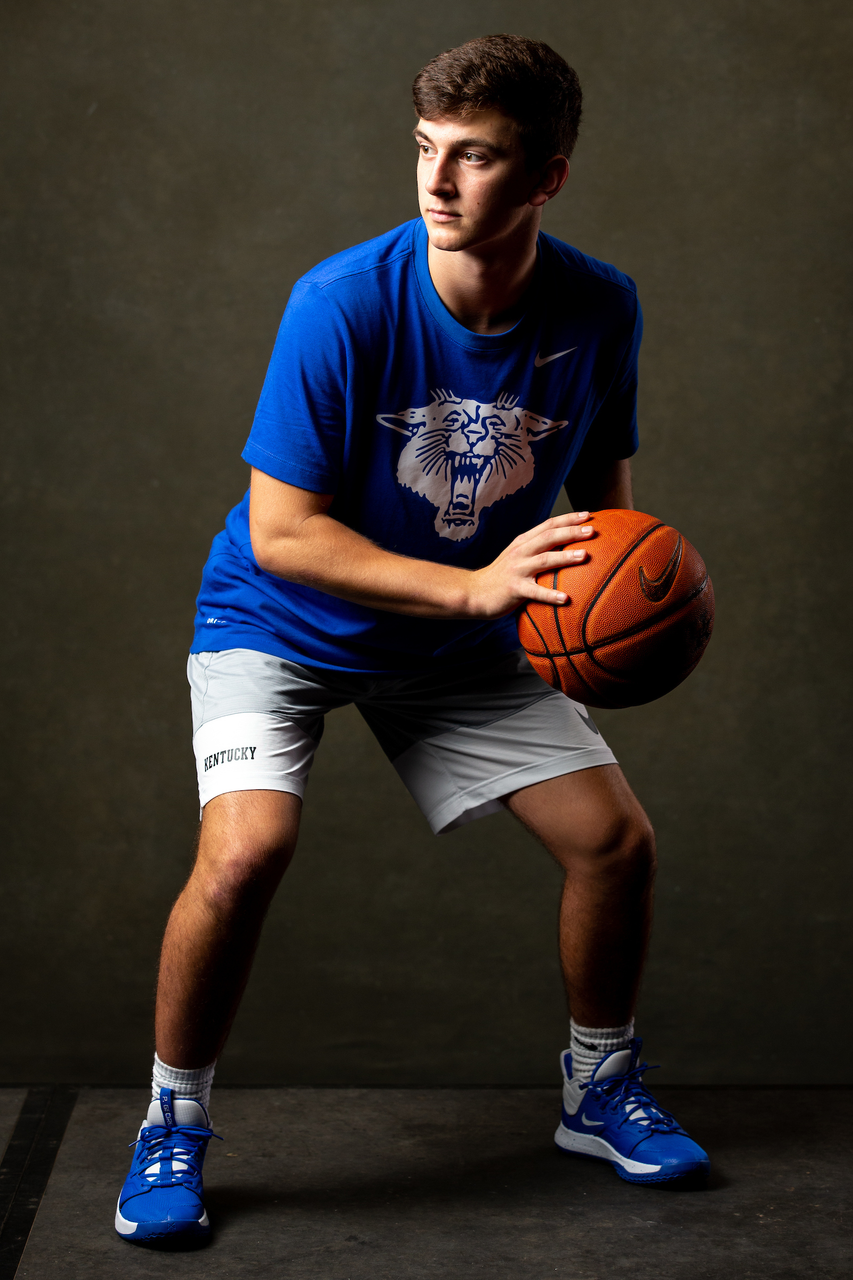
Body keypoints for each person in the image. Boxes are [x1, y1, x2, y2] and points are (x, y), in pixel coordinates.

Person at [115, 33, 709, 1247]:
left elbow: (603, 507)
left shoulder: (599, 305)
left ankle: (596, 1087)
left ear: (544, 177)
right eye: (426, 151)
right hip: (279, 622)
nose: (437, 184)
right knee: (245, 853)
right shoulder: (341, 299)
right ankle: (170, 1116)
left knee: (614, 841)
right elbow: (284, 534)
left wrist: (634, 601)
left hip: (459, 631)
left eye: (475, 158)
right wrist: (479, 589)